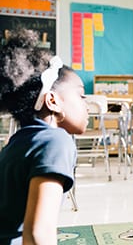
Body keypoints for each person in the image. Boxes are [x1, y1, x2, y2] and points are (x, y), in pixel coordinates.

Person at [0, 28, 89, 244]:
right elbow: (38, 234)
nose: (86, 103)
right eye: (80, 95)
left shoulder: (19, 142)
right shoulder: (55, 142)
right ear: (52, 101)